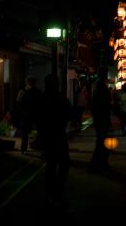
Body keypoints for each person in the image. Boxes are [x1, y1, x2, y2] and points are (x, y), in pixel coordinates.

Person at [37, 74, 72, 203]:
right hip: (58, 135)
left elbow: (38, 118)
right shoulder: (60, 98)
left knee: (51, 164)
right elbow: (68, 113)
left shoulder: (42, 98)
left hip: (47, 136)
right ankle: (57, 189)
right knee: (63, 163)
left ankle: (50, 191)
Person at [89, 71, 112, 173]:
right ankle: (99, 163)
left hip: (100, 120)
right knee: (102, 143)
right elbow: (106, 106)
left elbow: (94, 107)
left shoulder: (96, 90)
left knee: (101, 143)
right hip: (103, 120)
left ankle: (98, 163)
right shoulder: (103, 90)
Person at [16, 76, 41, 154]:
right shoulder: (38, 91)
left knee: (25, 133)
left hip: (26, 114)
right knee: (40, 130)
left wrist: (22, 113)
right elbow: (41, 103)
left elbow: (18, 103)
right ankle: (39, 146)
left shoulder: (22, 91)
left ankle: (23, 149)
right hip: (35, 114)